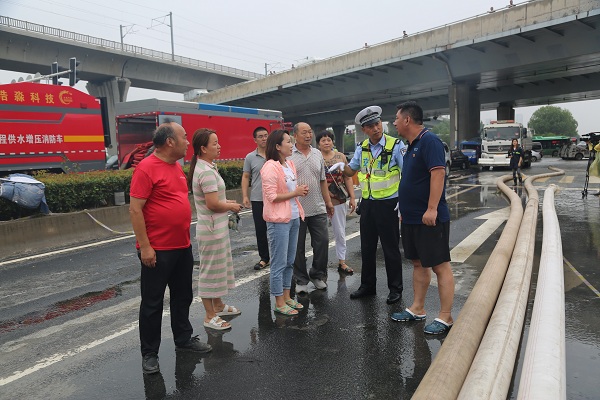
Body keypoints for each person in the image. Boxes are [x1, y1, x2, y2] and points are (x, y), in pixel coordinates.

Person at [129, 121, 212, 376]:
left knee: (182, 297)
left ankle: (183, 339)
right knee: (153, 303)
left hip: (182, 246)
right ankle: (150, 354)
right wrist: (145, 247)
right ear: (170, 142)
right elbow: (135, 209)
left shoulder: (176, 166)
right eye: (185, 138)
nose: (189, 142)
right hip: (157, 249)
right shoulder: (146, 169)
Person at [390, 101, 455, 335]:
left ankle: (445, 316)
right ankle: (417, 308)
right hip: (411, 218)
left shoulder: (429, 141)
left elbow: (438, 174)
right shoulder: (410, 145)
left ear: (407, 119)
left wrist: (432, 209)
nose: (395, 122)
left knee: (439, 265)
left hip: (429, 217)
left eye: (397, 118)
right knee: (418, 262)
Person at [329, 106, 405, 305]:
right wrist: (341, 166)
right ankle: (368, 286)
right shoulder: (362, 148)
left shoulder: (396, 145)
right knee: (367, 248)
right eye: (370, 126)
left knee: (390, 249)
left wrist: (404, 202)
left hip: (389, 205)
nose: (376, 128)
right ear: (364, 129)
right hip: (369, 204)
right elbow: (350, 171)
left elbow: (407, 176)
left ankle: (395, 288)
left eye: (377, 124)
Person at [187, 128, 242, 331]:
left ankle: (218, 305)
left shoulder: (207, 167)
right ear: (203, 148)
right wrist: (230, 206)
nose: (219, 147)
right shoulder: (206, 172)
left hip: (215, 228)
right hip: (211, 230)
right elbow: (212, 204)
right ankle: (210, 315)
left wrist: (225, 202)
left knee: (218, 268)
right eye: (214, 143)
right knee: (209, 272)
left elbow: (213, 200)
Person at [261, 130, 308, 315]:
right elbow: (272, 196)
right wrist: (295, 192)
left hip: (294, 217)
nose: (291, 144)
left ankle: (288, 297)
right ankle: (279, 301)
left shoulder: (289, 164)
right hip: (278, 221)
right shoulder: (269, 167)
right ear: (278, 146)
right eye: (288, 141)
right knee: (279, 263)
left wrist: (298, 191)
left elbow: (291, 190)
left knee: (290, 261)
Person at [289, 122, 335, 294]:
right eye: (304, 132)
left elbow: (322, 180)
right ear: (295, 135)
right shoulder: (288, 155)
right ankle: (300, 279)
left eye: (310, 132)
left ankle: (317, 275)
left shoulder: (317, 153)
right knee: (297, 247)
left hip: (318, 207)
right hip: (296, 209)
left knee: (322, 242)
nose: (308, 135)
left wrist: (328, 202)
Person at [316, 130, 356, 274]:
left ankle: (342, 262)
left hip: (338, 200)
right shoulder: (315, 157)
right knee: (320, 236)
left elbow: (348, 177)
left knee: (340, 232)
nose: (326, 142)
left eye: (329, 140)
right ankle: (320, 266)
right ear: (318, 144)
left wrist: (352, 197)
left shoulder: (340, 157)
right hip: (319, 202)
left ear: (333, 142)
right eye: (323, 140)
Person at [242, 127, 270, 270]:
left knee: (277, 228)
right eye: (260, 136)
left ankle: (278, 256)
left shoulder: (275, 153)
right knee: (260, 229)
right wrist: (245, 195)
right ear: (255, 140)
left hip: (275, 198)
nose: (264, 138)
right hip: (258, 198)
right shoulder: (250, 157)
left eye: (266, 135)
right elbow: (246, 176)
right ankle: (264, 258)